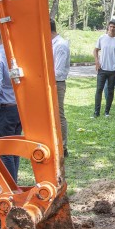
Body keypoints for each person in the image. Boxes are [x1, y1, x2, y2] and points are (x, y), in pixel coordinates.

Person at [0, 23, 22, 182]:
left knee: (4, 149)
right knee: (14, 147)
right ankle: (13, 185)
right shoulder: (17, 54)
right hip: (19, 108)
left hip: (6, 109)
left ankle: (10, 189)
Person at [93, 19, 115, 118]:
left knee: (110, 90)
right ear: (108, 27)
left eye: (114, 27)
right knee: (99, 90)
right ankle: (96, 112)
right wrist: (97, 62)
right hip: (102, 68)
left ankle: (107, 111)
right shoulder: (102, 38)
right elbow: (95, 50)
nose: (112, 29)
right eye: (110, 26)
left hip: (113, 70)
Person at [50, 19, 71, 155]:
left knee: (58, 114)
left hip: (56, 83)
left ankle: (63, 147)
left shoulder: (60, 45)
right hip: (50, 83)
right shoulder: (51, 44)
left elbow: (59, 72)